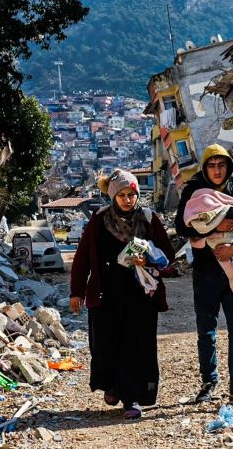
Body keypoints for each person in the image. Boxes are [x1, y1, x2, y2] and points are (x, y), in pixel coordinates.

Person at [69, 169, 176, 419]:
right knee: (104, 345)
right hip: (106, 293)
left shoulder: (149, 219)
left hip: (140, 295)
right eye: (122, 195)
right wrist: (77, 291)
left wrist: (147, 258)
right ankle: (113, 385)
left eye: (132, 194)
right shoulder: (99, 220)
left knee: (135, 346)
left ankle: (133, 398)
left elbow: (167, 255)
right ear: (113, 196)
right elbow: (82, 257)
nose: (127, 200)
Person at [175, 144, 233, 404]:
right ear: (204, 168)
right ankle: (208, 382)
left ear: (229, 166)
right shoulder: (193, 189)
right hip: (206, 271)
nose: (216, 170)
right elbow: (181, 225)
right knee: (207, 331)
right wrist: (215, 226)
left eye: (221, 165)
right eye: (211, 166)